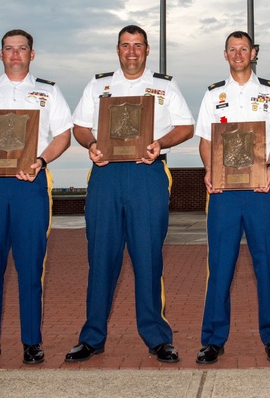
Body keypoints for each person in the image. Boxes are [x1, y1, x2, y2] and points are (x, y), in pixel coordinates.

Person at [65, 25, 194, 364]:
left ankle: (157, 337)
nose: (132, 51)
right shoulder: (98, 86)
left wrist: (160, 144)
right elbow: (79, 127)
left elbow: (186, 126)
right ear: (117, 50)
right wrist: (92, 144)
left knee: (148, 257)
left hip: (146, 172)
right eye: (126, 45)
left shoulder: (165, 86)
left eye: (138, 45)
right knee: (101, 258)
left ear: (147, 50)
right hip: (106, 174)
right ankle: (92, 337)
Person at [0, 29, 73, 366]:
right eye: (9, 49)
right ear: (1, 54)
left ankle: (31, 341)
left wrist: (41, 161)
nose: (16, 54)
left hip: (29, 184)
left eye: (22, 49)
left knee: (30, 265)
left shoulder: (48, 92)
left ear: (32, 55)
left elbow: (63, 134)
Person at [194, 31, 270, 365]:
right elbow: (205, 141)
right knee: (220, 266)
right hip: (223, 192)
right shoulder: (213, 93)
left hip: (260, 190)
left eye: (244, 49)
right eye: (232, 49)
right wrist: (209, 170)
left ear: (254, 53)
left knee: (267, 265)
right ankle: (212, 339)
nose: (238, 54)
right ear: (225, 55)